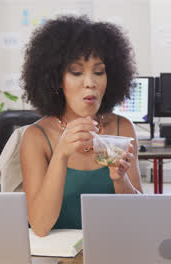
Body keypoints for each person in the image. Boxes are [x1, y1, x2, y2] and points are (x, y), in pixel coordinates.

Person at [20, 15, 142, 237]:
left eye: (99, 71)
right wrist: (61, 153)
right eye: (76, 72)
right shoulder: (36, 137)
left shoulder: (121, 129)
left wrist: (119, 178)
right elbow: (39, 225)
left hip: (113, 249)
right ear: (56, 79)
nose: (90, 82)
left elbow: (139, 216)